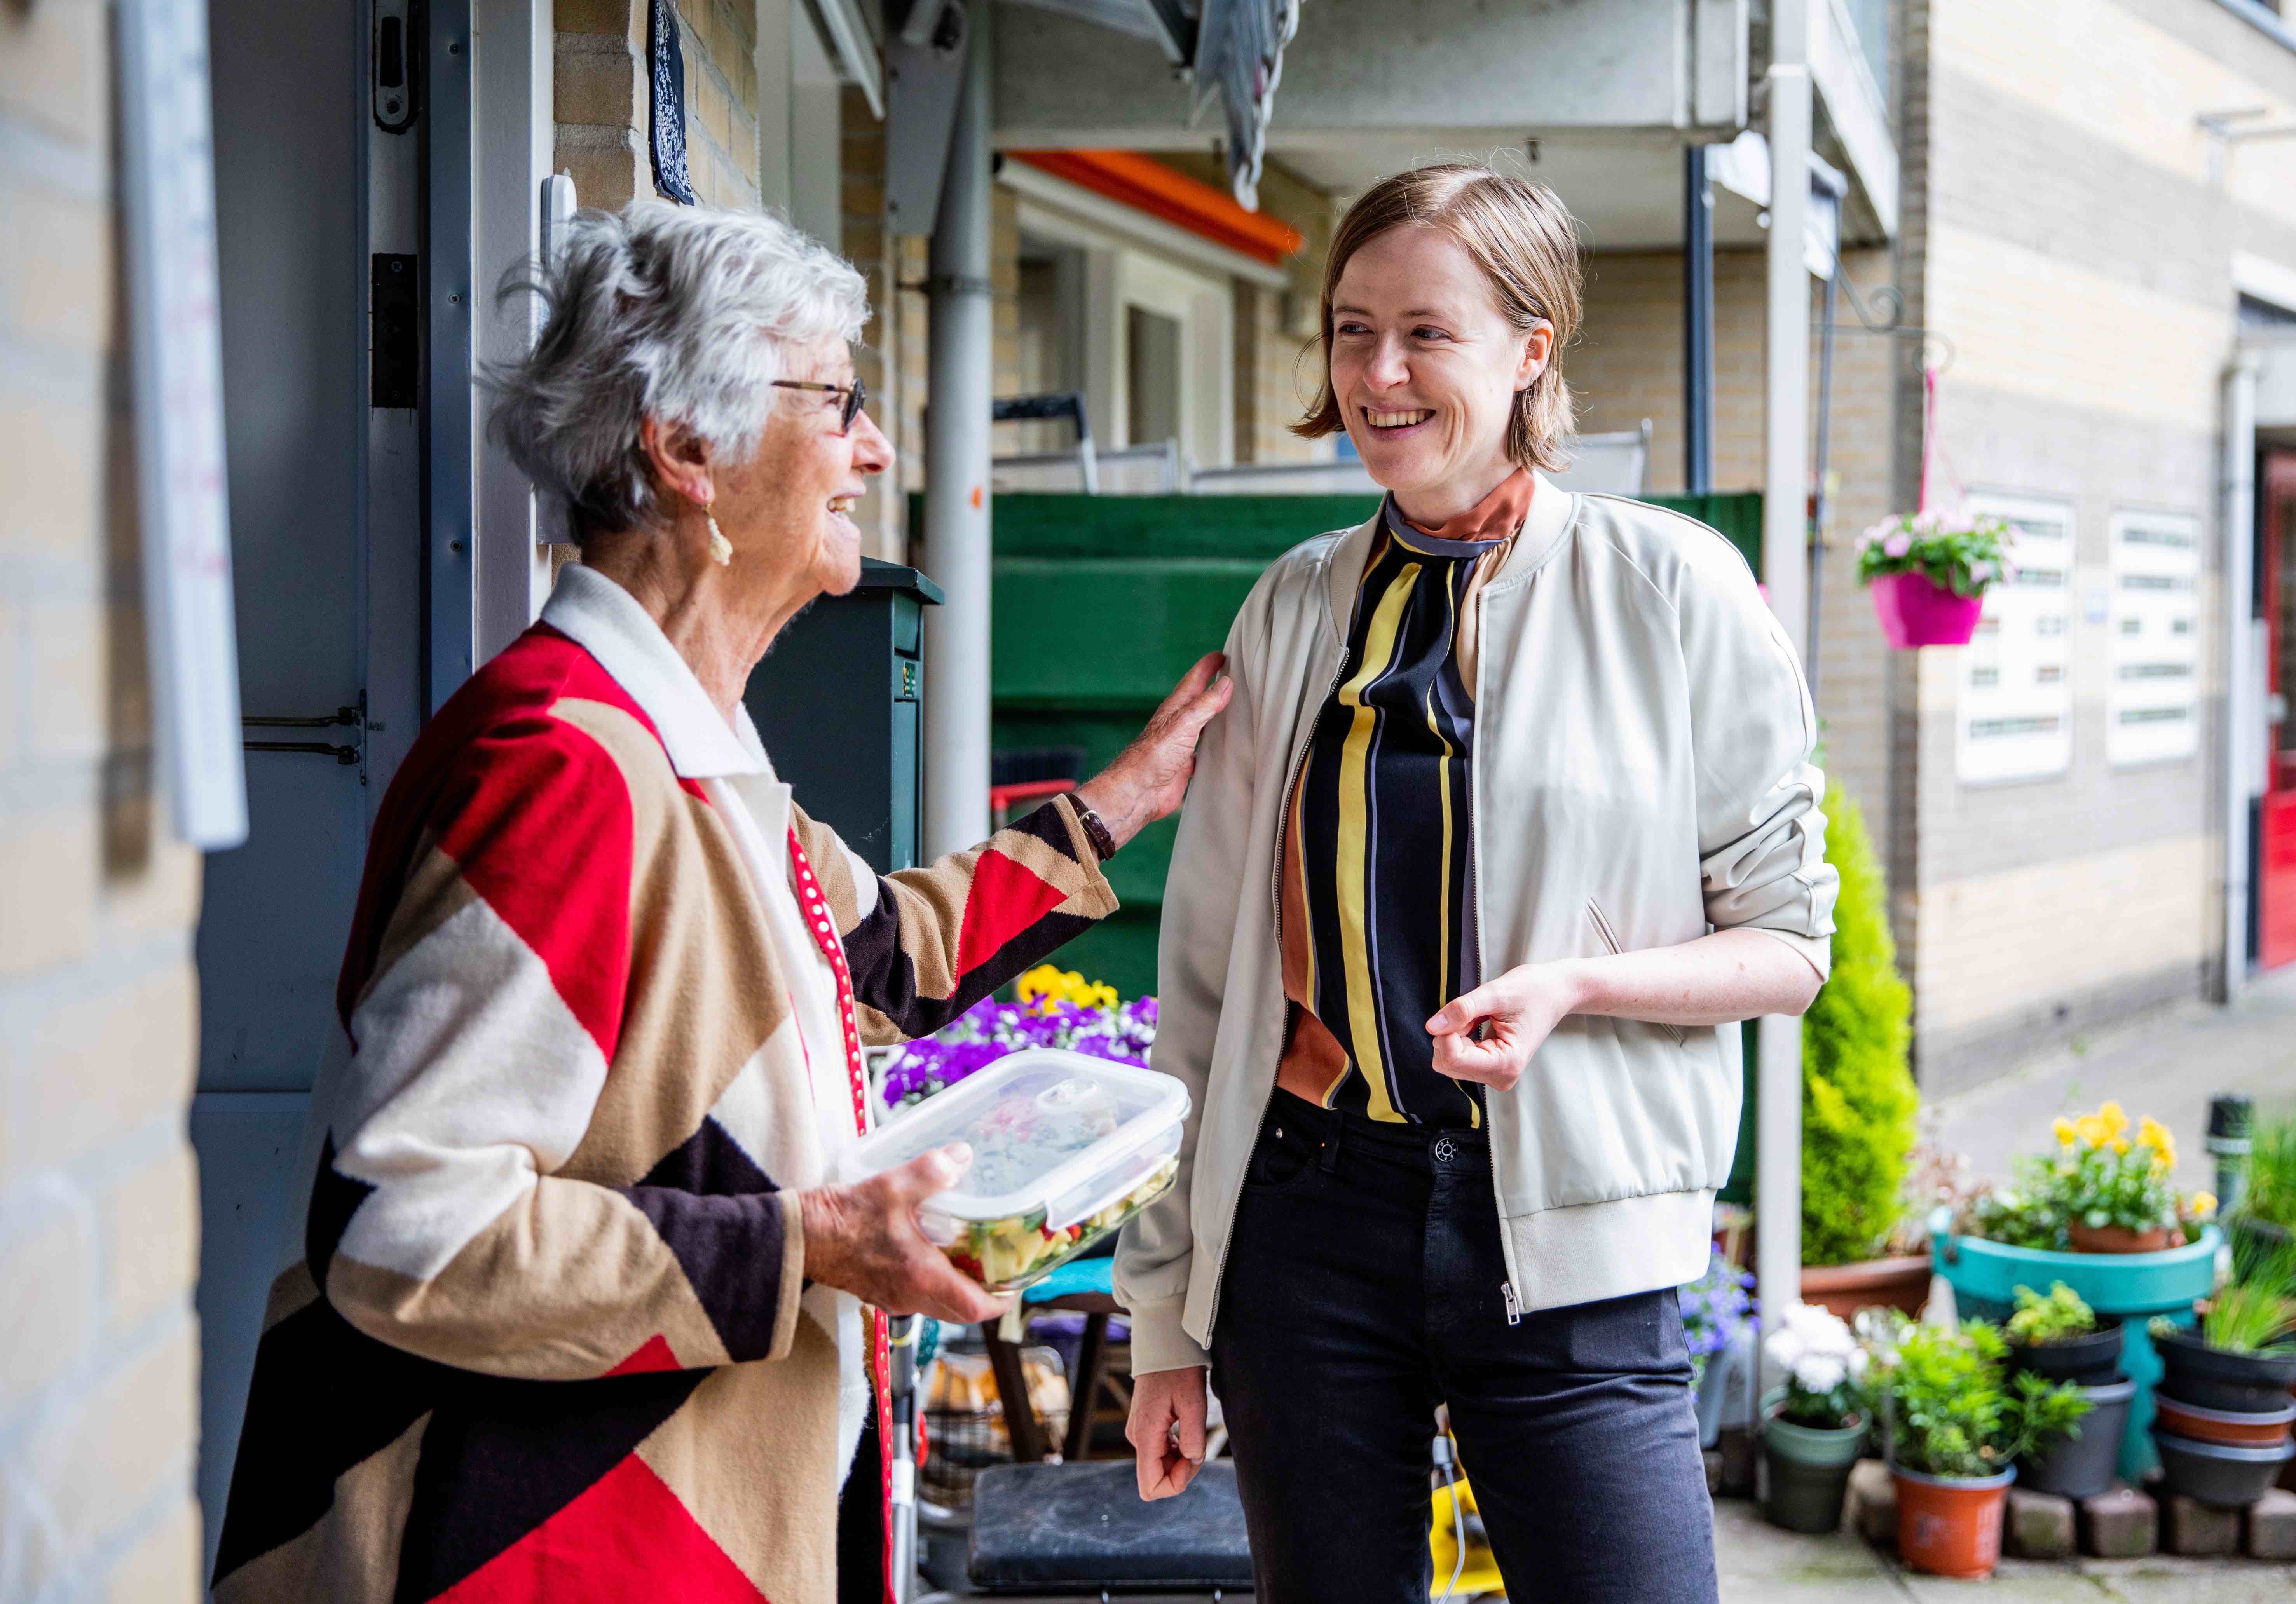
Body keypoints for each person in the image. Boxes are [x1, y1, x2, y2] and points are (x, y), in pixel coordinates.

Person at [211, 202, 1230, 1604]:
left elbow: (877, 954)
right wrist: (811, 1241)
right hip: (541, 1545)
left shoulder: (685, 738)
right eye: (840, 404)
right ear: (686, 451)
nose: (875, 449)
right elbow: (407, 1230)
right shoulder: (564, 769)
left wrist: (1127, 799)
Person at [1117, 164, 1838, 1603]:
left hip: (1574, 1243)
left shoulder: (1673, 589)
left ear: (1531, 349)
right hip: (1306, 1230)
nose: (1379, 373)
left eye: (1427, 333)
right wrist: (1165, 1326)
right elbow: (1201, 981)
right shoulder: (1295, 605)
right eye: (1350, 330)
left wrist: (1580, 985)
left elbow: (1788, 946)